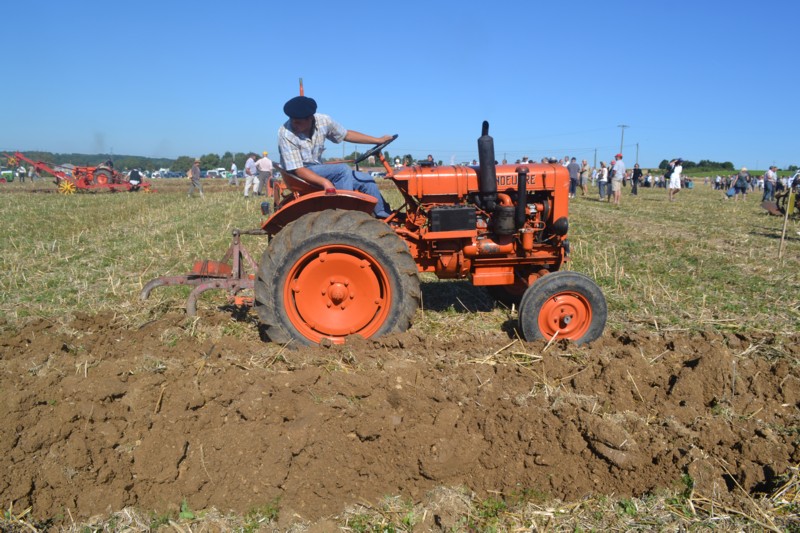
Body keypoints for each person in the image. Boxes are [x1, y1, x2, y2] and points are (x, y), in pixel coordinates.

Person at [278, 95, 392, 218]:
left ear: (310, 118)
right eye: (292, 120)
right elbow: (298, 169)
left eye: (298, 122)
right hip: (300, 173)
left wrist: (377, 140)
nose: (294, 124)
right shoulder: (286, 133)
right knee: (342, 170)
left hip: (317, 167)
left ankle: (385, 217)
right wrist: (325, 182)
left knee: (366, 180)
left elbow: (346, 134)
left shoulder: (324, 121)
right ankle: (346, 216)